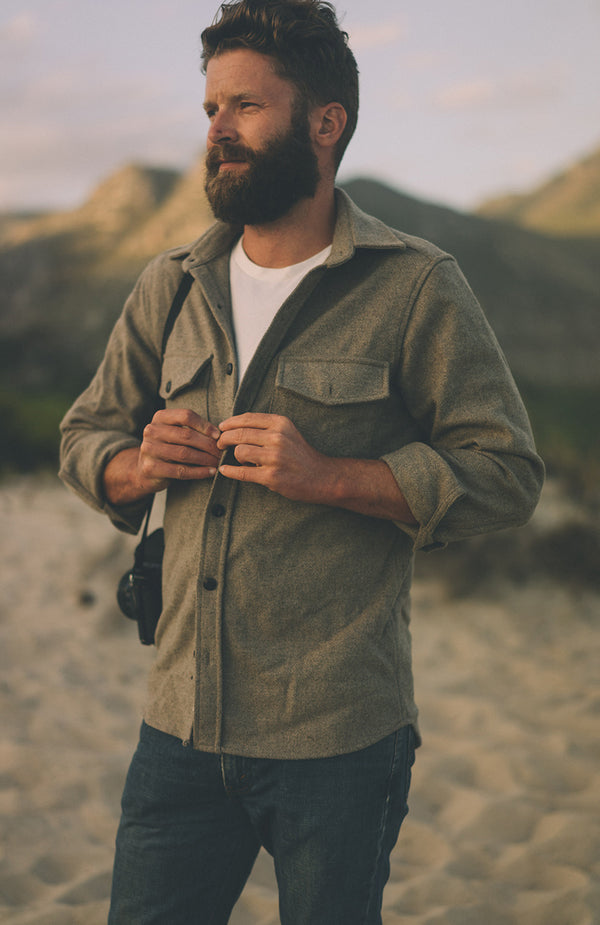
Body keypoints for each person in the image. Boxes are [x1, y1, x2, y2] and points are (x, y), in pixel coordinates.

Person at [59, 1, 544, 922]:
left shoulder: (415, 285)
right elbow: (85, 438)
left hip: (339, 742)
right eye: (211, 109)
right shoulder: (171, 282)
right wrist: (139, 465)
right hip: (177, 730)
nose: (218, 130)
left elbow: (507, 471)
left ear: (326, 123)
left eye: (245, 106)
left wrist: (332, 476)